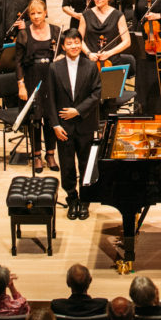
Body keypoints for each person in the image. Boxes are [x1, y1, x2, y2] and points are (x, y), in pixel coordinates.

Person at [47, 29, 102, 220]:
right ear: (63, 46)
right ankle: (72, 199)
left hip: (86, 123)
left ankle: (85, 201)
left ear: (81, 43)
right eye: (69, 43)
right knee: (68, 165)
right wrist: (55, 124)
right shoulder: (55, 68)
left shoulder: (91, 66)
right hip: (63, 127)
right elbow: (50, 99)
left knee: (87, 164)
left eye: (77, 42)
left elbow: (96, 94)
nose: (74, 46)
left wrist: (77, 111)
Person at [15, 0, 61, 170]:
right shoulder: (24, 33)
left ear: (45, 13)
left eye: (39, 13)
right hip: (31, 78)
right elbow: (18, 62)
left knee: (50, 118)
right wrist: (21, 85)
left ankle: (50, 154)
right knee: (35, 118)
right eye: (32, 13)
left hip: (52, 78)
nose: (35, 16)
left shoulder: (56, 31)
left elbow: (62, 53)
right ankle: (36, 156)